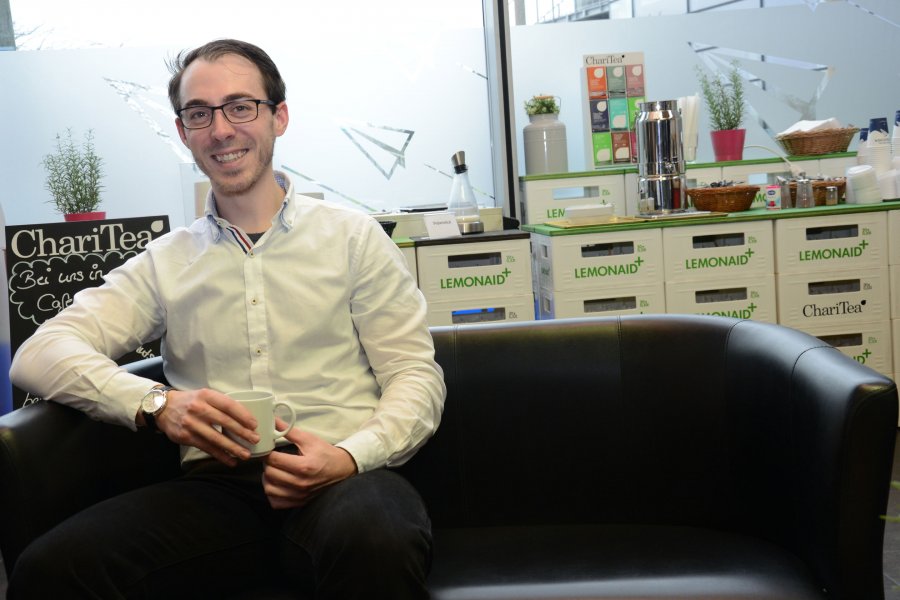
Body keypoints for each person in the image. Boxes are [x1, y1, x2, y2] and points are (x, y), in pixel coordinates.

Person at [8, 38, 445, 599]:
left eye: (240, 106)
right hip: (218, 490)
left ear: (278, 117)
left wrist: (348, 456)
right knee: (53, 568)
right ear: (184, 131)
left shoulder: (353, 238)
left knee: (376, 537)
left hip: (347, 476)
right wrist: (156, 405)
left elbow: (416, 376)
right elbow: (39, 353)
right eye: (200, 114)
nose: (221, 129)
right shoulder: (167, 262)